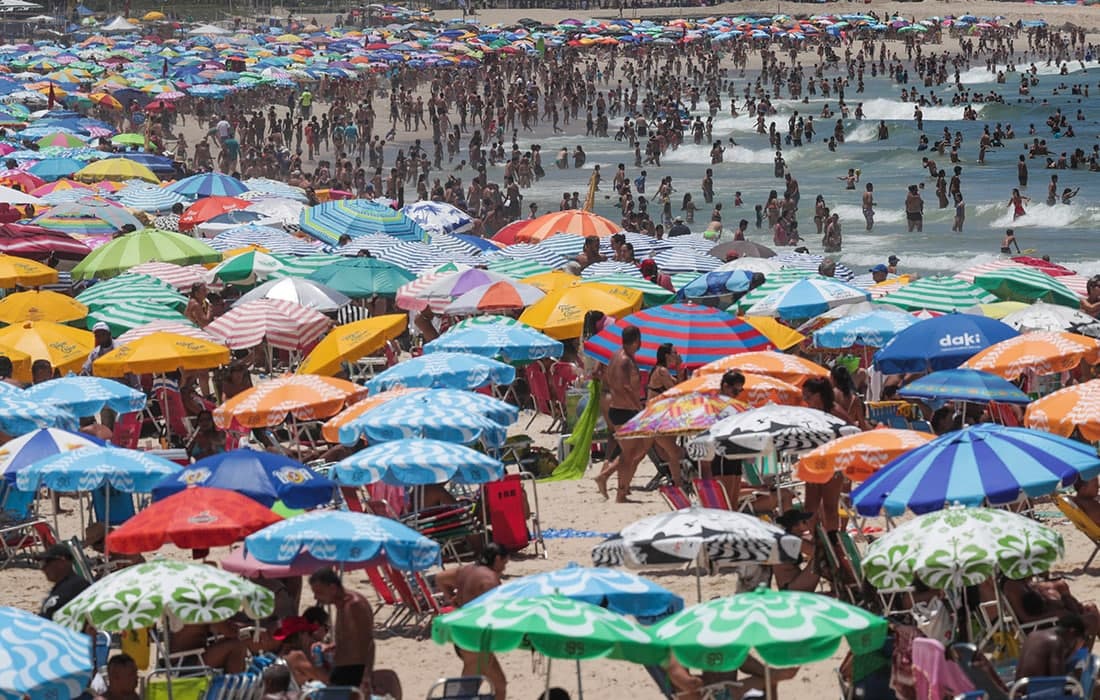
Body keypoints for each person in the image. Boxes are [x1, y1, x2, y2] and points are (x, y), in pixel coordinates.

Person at [308, 568, 400, 698]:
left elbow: (368, 642)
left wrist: (366, 677)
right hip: (342, 670)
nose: (316, 597)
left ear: (332, 588)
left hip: (354, 672)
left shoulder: (353, 605)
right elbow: (350, 638)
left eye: (319, 592)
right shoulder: (340, 605)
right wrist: (330, 647)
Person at [435, 544, 509, 700]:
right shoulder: (490, 580)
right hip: (475, 639)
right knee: (466, 691)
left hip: (461, 634)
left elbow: (439, 578)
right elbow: (497, 613)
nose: (504, 568)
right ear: (497, 559)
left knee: (500, 684)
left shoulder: (465, 570)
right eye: (504, 563)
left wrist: (451, 599)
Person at [593, 325, 645, 503]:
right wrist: (639, 407)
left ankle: (609, 479)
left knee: (633, 451)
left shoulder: (616, 356)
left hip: (620, 409)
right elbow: (626, 387)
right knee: (630, 454)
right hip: (626, 411)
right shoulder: (625, 360)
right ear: (637, 340)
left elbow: (607, 378)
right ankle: (618, 490)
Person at [646, 343, 685, 487]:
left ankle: (677, 482)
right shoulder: (662, 371)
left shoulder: (664, 371)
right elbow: (676, 390)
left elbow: (680, 386)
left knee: (669, 453)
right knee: (672, 452)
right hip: (657, 417)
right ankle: (679, 479)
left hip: (661, 416)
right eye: (675, 352)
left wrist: (679, 370)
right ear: (667, 355)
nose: (677, 355)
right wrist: (678, 368)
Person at [1015, 615, 1086, 681]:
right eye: (1075, 641)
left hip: (1018, 688)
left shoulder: (1033, 634)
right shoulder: (1056, 642)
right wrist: (1074, 650)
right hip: (1034, 690)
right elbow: (1058, 679)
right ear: (1072, 631)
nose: (1071, 645)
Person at [772, 510, 820, 592]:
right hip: (791, 588)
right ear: (795, 527)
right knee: (820, 558)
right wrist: (812, 529)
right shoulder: (790, 541)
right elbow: (816, 552)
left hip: (791, 585)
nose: (807, 523)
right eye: (804, 522)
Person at [38, 543, 89, 619]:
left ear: (62, 561)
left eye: (47, 562)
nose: (43, 568)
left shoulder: (78, 586)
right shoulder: (60, 588)